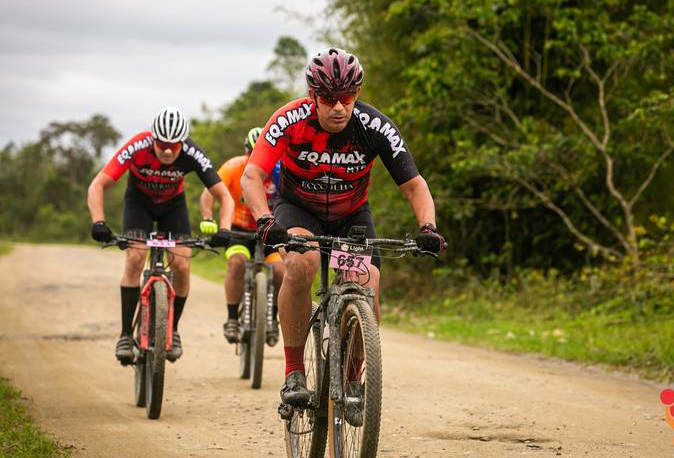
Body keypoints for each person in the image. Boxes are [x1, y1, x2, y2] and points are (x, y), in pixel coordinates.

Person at [240, 47, 446, 418]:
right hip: (299, 209)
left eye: (347, 98)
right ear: (313, 96)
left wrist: (428, 227)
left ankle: (352, 378)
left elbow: (414, 185)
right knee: (300, 265)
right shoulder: (289, 120)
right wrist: (264, 220)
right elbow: (252, 175)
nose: (339, 107)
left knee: (367, 282)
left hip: (351, 215)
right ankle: (294, 372)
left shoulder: (374, 126)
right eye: (329, 99)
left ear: (357, 94)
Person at [87, 106, 234, 365]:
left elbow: (224, 196)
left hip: (172, 207)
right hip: (138, 204)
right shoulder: (137, 146)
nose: (167, 151)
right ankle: (125, 335)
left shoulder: (192, 153)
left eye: (173, 146)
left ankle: (172, 330)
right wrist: (99, 222)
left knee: (182, 265)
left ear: (182, 143)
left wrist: (225, 229)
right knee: (135, 258)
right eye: (162, 144)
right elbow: (98, 184)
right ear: (153, 139)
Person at [199, 127, 284, 344]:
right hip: (239, 229)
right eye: (251, 153)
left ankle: (272, 318)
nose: (256, 159)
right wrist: (209, 219)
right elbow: (209, 193)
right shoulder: (233, 166)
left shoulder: (280, 170)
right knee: (237, 263)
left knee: (280, 270)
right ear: (245, 151)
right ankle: (232, 319)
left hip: (270, 230)